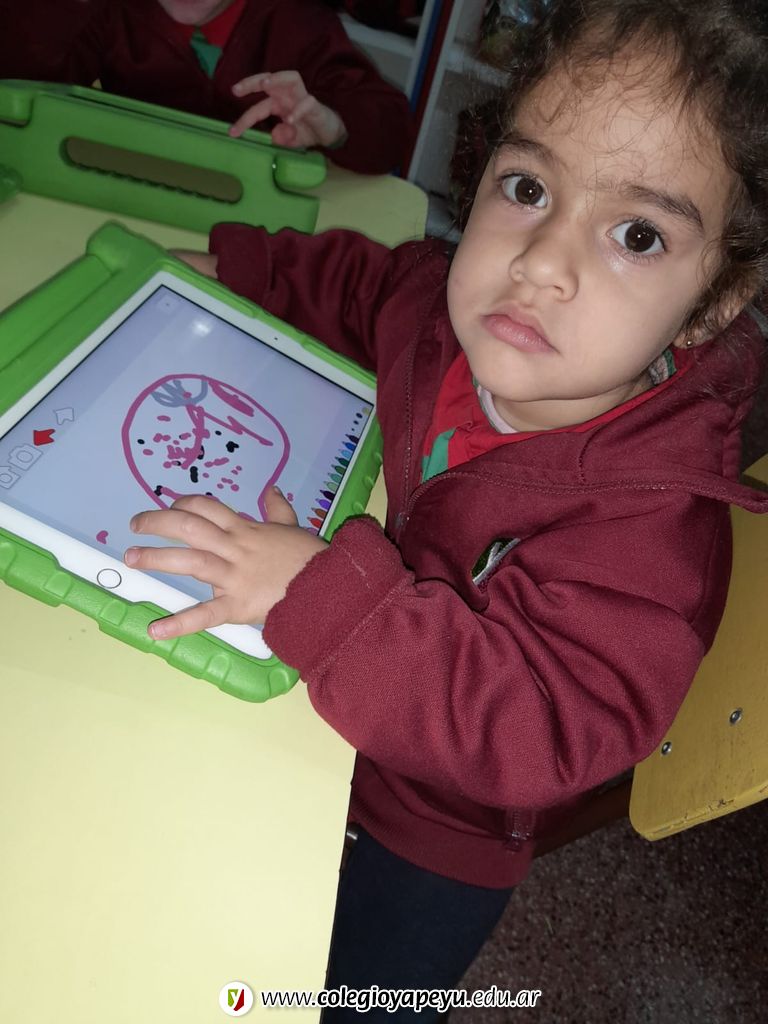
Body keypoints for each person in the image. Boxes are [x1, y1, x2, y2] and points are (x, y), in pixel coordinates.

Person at [123, 0, 768, 1016]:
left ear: (715, 301)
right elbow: (369, 286)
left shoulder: (655, 539)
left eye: (637, 235)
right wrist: (246, 269)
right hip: (316, 721)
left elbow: (537, 729)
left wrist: (317, 594)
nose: (541, 262)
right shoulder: (450, 314)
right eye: (529, 188)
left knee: (344, 996)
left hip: (430, 837)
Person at [0, 0, 413, 174]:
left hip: (256, 220)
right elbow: (22, 80)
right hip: (130, 190)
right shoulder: (112, 11)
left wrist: (334, 125)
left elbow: (391, 131)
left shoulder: (297, 21)